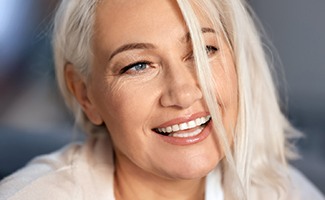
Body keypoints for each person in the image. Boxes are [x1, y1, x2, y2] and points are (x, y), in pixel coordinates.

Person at [0, 0, 324, 199]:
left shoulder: (283, 193)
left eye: (203, 49)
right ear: (85, 94)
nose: (183, 94)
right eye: (138, 65)